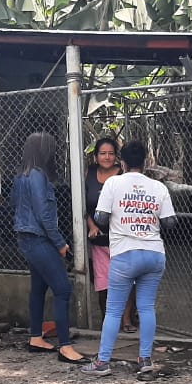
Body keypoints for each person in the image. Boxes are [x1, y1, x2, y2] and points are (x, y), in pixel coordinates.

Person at [81, 140, 177, 377]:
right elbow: (170, 222)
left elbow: (101, 218)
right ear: (145, 162)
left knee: (114, 310)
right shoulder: (158, 187)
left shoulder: (114, 183)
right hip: (154, 254)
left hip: (125, 254)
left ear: (122, 162)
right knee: (146, 307)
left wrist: (122, 213)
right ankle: (145, 360)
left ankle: (103, 362)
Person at [13, 132, 87, 364]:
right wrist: (60, 243)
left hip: (27, 238)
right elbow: (44, 214)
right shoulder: (37, 175)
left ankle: (36, 337)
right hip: (39, 239)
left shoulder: (21, 175)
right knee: (63, 289)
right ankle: (65, 347)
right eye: (52, 149)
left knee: (38, 288)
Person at [85, 137, 135, 334]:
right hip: (99, 240)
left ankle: (127, 319)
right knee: (103, 282)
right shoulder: (89, 173)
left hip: (122, 239)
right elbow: (83, 205)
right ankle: (108, 320)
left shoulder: (124, 175)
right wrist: (91, 226)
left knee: (127, 281)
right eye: (102, 153)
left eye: (111, 153)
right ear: (96, 156)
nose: (106, 157)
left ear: (117, 156)